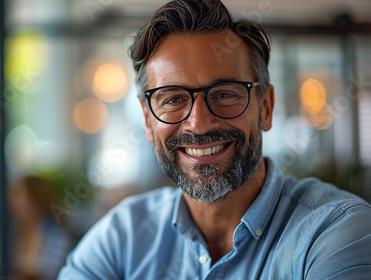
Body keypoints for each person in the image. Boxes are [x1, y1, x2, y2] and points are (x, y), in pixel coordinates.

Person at [58, 0, 371, 279]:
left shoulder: (338, 232)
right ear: (147, 120)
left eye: (224, 94)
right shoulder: (121, 236)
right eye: (173, 98)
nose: (199, 123)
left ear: (265, 107)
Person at [8, 176, 72, 280]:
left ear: (37, 201)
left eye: (24, 204)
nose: (18, 210)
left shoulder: (56, 235)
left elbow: (50, 273)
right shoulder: (13, 232)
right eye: (15, 205)